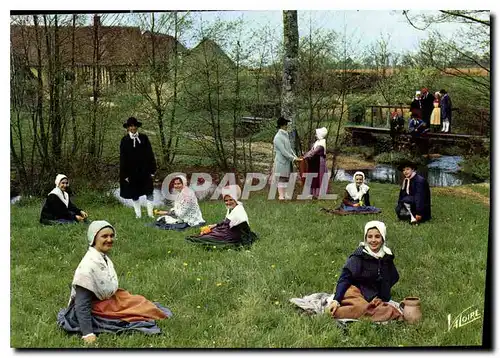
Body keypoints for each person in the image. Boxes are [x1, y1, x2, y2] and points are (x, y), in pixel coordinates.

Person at [57, 220, 172, 343]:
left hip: (107, 299)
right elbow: (82, 303)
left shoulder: (101, 257)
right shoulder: (87, 267)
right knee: (138, 311)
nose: (109, 239)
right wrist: (87, 333)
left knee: (139, 301)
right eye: (104, 236)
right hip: (95, 308)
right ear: (93, 238)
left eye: (111, 236)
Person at [326, 221, 402, 322]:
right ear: (365, 238)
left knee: (375, 308)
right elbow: (344, 279)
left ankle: (375, 311)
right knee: (361, 308)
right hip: (353, 291)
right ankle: (335, 312)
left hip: (370, 296)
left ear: (383, 238)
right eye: (370, 237)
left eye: (377, 236)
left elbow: (393, 277)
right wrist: (336, 299)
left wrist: (382, 295)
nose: (373, 240)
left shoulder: (386, 257)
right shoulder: (359, 256)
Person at [185, 185, 258, 248]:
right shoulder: (231, 208)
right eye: (226, 200)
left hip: (231, 236)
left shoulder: (239, 212)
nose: (228, 202)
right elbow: (226, 222)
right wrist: (215, 225)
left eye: (231, 200)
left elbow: (243, 231)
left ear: (235, 199)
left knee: (205, 238)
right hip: (227, 231)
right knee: (207, 232)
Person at [120, 117, 157, 218]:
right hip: (132, 172)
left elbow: (150, 154)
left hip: (145, 171)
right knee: (134, 194)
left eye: (134, 126)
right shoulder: (124, 140)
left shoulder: (144, 138)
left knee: (149, 192)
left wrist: (152, 170)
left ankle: (150, 214)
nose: (133, 128)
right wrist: (125, 175)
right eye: (131, 126)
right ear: (128, 128)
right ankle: (138, 215)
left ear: (137, 127)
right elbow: (123, 159)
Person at [273, 116, 302, 200]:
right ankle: (281, 196)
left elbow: (289, 149)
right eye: (285, 124)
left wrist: (295, 157)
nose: (286, 126)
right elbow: (283, 152)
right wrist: (293, 159)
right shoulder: (278, 137)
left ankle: (285, 195)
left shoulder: (285, 135)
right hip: (281, 161)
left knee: (286, 178)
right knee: (281, 178)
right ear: (281, 126)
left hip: (287, 162)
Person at [303, 127, 328, 198]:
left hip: (319, 162)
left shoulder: (322, 143)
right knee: (313, 176)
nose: (315, 135)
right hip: (314, 161)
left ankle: (317, 193)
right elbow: (311, 150)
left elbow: (314, 151)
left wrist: (305, 157)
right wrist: (305, 155)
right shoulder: (317, 142)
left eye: (317, 134)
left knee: (318, 177)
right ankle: (312, 193)